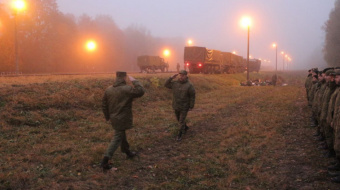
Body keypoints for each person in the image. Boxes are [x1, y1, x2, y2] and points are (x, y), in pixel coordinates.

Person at [101, 71, 145, 172]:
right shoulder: (127, 89)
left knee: (121, 133)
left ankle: (127, 151)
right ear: (125, 77)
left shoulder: (108, 90)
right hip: (123, 117)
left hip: (114, 118)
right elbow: (141, 91)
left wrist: (108, 117)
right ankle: (105, 161)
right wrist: (135, 81)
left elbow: (104, 104)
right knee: (117, 137)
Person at [165, 70, 196, 141]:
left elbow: (192, 96)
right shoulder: (175, 83)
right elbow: (166, 85)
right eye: (180, 75)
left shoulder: (189, 85)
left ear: (186, 76)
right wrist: (171, 78)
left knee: (181, 121)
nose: (181, 77)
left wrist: (191, 106)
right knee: (179, 119)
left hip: (184, 106)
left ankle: (180, 134)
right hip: (176, 105)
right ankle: (185, 127)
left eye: (183, 75)